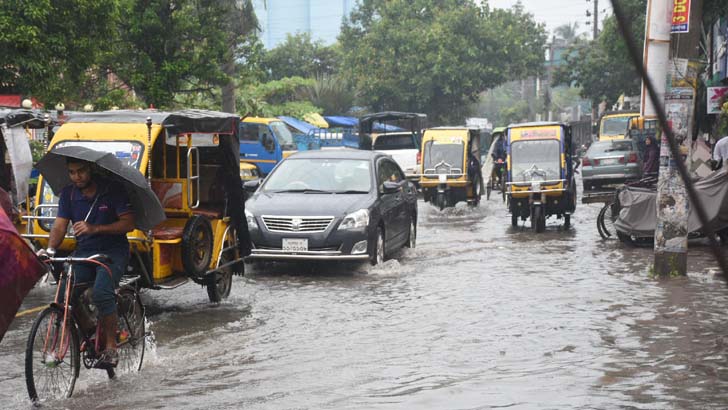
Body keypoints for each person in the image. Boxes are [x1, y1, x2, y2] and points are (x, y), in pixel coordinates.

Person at [37, 158, 135, 368]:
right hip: (85, 252)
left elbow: (128, 223)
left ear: (91, 169)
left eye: (81, 171)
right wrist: (51, 250)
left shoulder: (112, 190)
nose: (77, 176)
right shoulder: (68, 194)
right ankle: (90, 328)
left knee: (101, 293)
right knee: (65, 294)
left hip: (112, 252)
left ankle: (111, 348)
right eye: (72, 172)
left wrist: (95, 228)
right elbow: (60, 225)